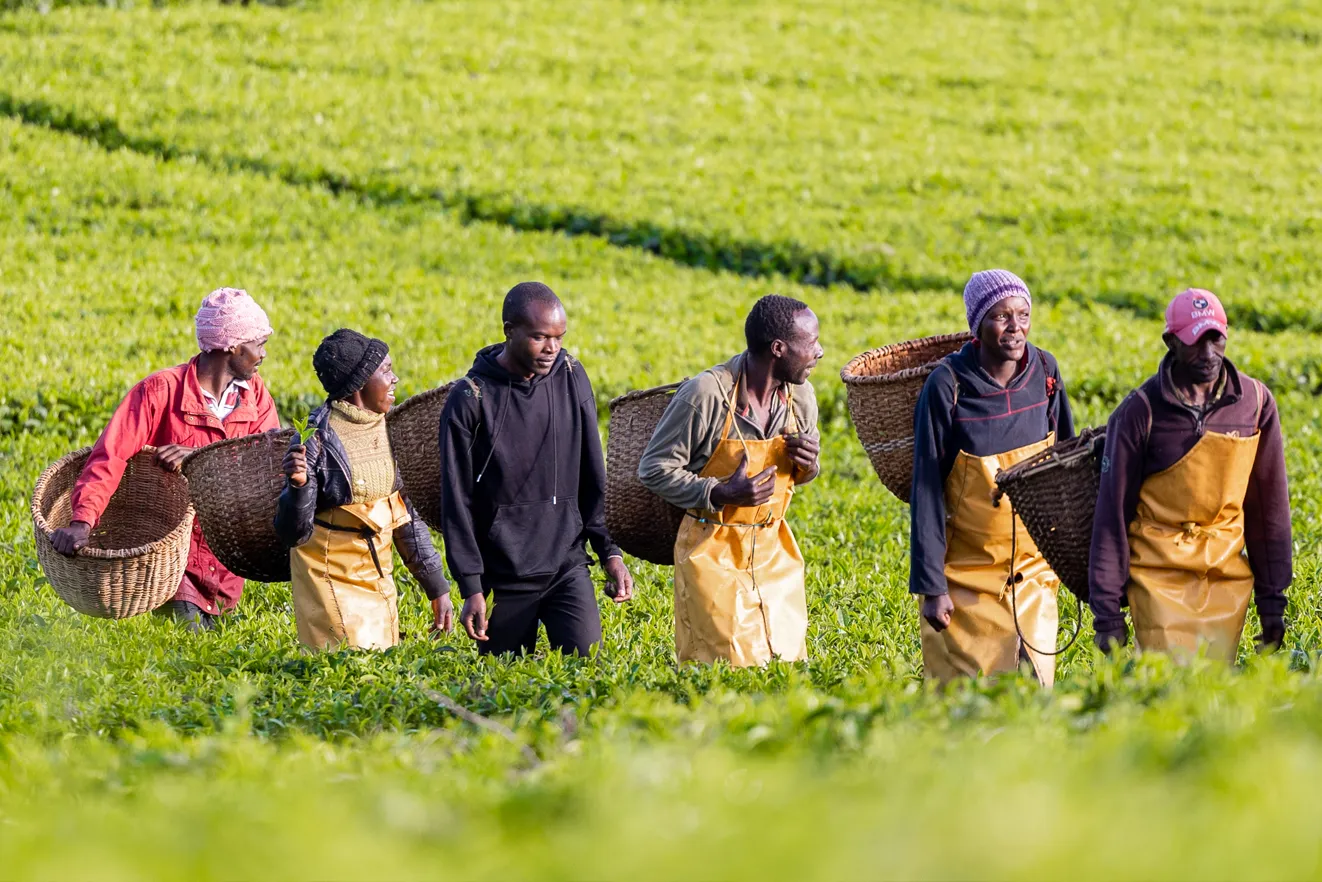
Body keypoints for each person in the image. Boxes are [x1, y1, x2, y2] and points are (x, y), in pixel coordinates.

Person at [51, 288, 280, 631]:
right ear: (231, 345)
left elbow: (263, 468)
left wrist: (202, 459)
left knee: (215, 668)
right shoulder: (159, 391)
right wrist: (82, 522)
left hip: (225, 568)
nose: (262, 354)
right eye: (257, 344)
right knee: (185, 658)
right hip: (173, 564)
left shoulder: (256, 395)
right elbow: (110, 456)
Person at [1089, 289, 1291, 660]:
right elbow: (1112, 514)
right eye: (1196, 342)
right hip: (1157, 574)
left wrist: (1272, 600)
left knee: (1216, 696)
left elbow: (1268, 505)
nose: (1209, 353)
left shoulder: (1255, 404)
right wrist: (1108, 614)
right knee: (1172, 694)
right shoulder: (1140, 411)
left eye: (1216, 338)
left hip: (1224, 572)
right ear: (1171, 342)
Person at [438, 282, 633, 657]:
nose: (552, 349)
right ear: (510, 331)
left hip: (567, 565)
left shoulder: (572, 375)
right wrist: (472, 587)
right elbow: (456, 501)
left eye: (559, 338)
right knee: (503, 683)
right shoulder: (470, 398)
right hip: (506, 575)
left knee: (585, 667)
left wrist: (610, 552)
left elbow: (594, 473)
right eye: (540, 337)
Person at [638, 294, 823, 667]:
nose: (819, 352)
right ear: (778, 348)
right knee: (726, 669)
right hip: (712, 554)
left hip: (775, 553)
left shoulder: (800, 395)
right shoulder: (705, 395)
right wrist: (720, 492)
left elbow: (803, 473)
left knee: (786, 666)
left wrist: (809, 463)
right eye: (811, 343)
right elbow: (654, 468)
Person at [909, 270, 1075, 686]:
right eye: (1001, 317)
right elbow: (926, 488)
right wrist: (932, 587)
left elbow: (1065, 465)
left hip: (1034, 571)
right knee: (972, 700)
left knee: (1036, 690)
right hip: (969, 575)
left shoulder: (1045, 371)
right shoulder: (947, 385)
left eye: (1023, 314)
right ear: (978, 325)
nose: (1015, 328)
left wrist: (1077, 560)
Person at [275, 329, 454, 650]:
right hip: (329, 577)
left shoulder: (391, 432)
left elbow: (406, 519)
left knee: (380, 669)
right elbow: (292, 532)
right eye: (385, 370)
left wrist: (437, 588)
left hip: (377, 577)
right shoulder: (315, 440)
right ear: (359, 383)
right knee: (345, 666)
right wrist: (298, 487)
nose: (395, 378)